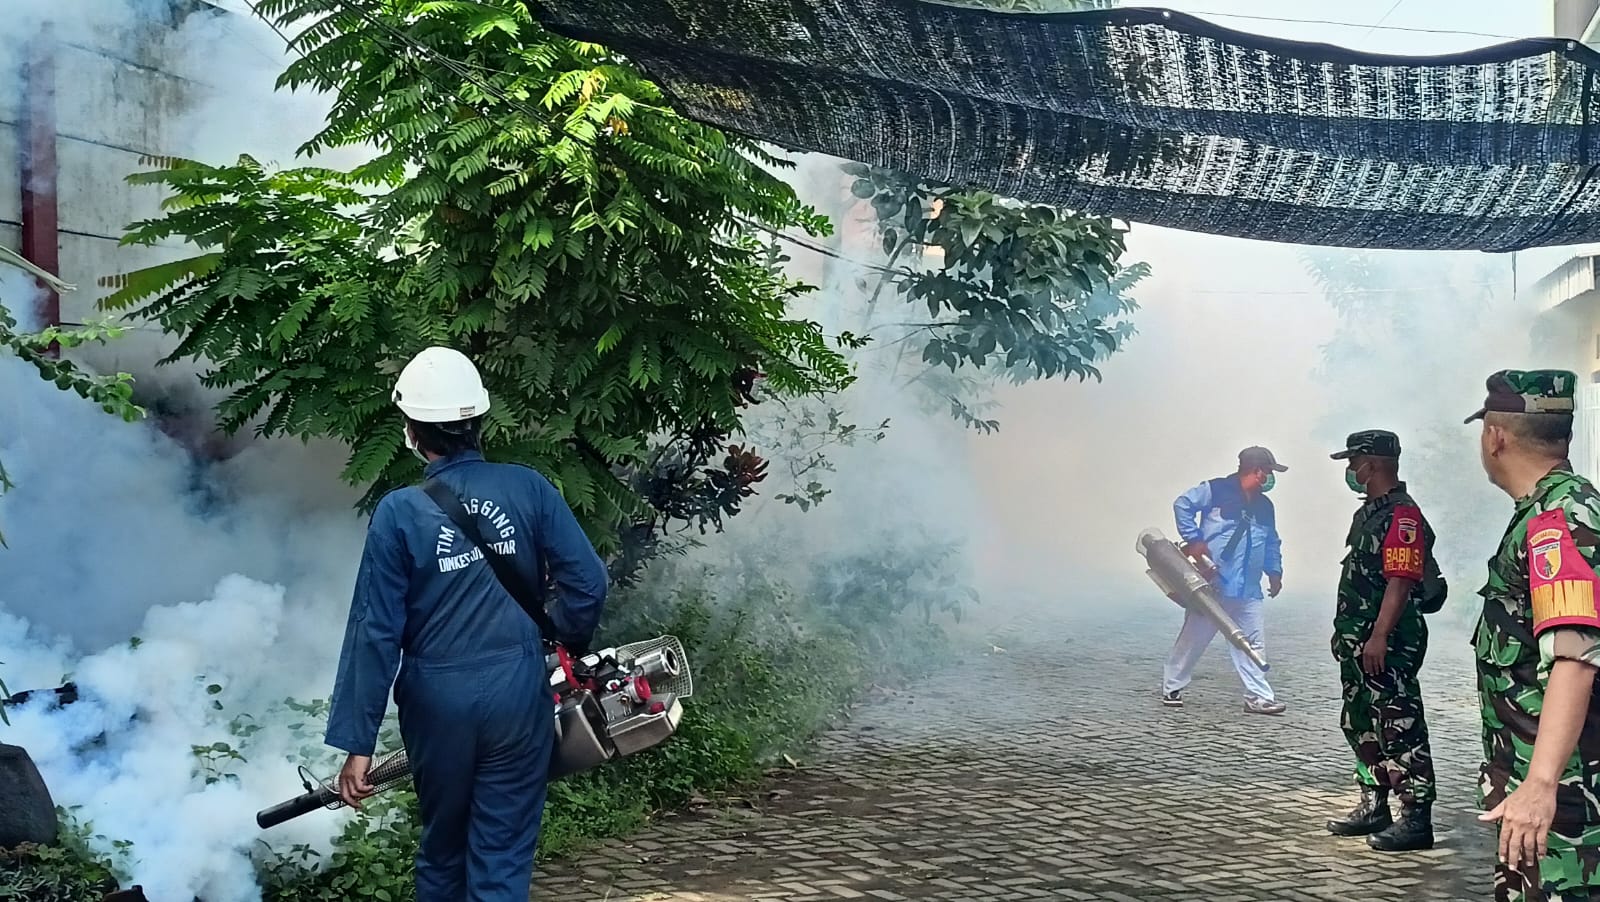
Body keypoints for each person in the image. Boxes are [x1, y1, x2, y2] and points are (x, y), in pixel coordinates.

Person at [323, 346, 609, 902]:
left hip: (437, 704)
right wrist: (562, 640)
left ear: (411, 431)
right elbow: (588, 582)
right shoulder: (528, 487)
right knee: (500, 855)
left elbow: (374, 631)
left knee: (444, 849)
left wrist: (358, 742)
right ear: (477, 421)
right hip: (516, 692)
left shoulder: (399, 512)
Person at [1468, 369, 1600, 902]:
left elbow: (1576, 654)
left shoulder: (1557, 520)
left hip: (1564, 796)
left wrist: (1541, 783)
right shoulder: (1551, 510)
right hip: (1544, 785)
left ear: (1495, 436)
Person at [1324, 429, 1441, 852]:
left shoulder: (1401, 516)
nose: (1352, 471)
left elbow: (1400, 580)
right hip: (1359, 642)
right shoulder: (1370, 512)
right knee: (1361, 721)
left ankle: (1416, 818)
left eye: (1354, 463)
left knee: (1399, 726)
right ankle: (1374, 804)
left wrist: (1379, 636)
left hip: (1386, 644)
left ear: (1371, 463)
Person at [1161, 446, 1288, 714]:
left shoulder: (1265, 506)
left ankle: (1258, 696)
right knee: (1193, 639)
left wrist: (1274, 571)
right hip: (1214, 585)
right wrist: (1194, 540)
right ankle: (1172, 686)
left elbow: (1271, 540)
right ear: (1257, 471)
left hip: (1249, 590)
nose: (1270, 478)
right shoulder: (1216, 489)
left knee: (1253, 644)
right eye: (1268, 472)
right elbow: (1183, 504)